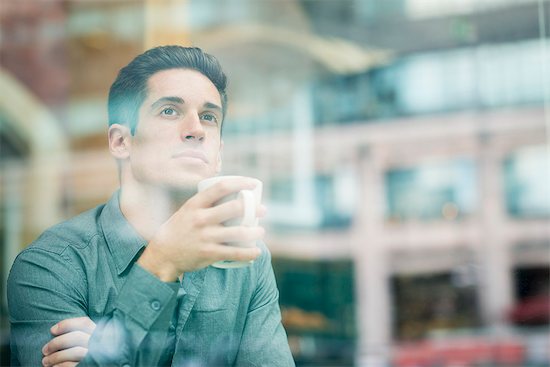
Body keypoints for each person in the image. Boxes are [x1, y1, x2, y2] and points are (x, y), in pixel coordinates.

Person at [8, 45, 295, 366]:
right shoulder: (50, 266)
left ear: (219, 154)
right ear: (121, 141)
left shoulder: (246, 260)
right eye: (169, 111)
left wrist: (105, 349)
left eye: (209, 117)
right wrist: (160, 263)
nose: (196, 129)